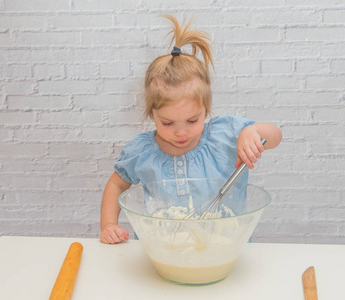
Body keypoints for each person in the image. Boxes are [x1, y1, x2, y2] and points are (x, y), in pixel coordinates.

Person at [99, 15, 282, 244]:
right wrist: (108, 225)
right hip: (161, 247)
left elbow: (275, 136)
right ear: (151, 114)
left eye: (192, 121)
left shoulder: (224, 136)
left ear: (206, 110)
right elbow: (116, 184)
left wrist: (253, 133)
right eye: (167, 123)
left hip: (226, 245)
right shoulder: (142, 151)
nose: (181, 132)